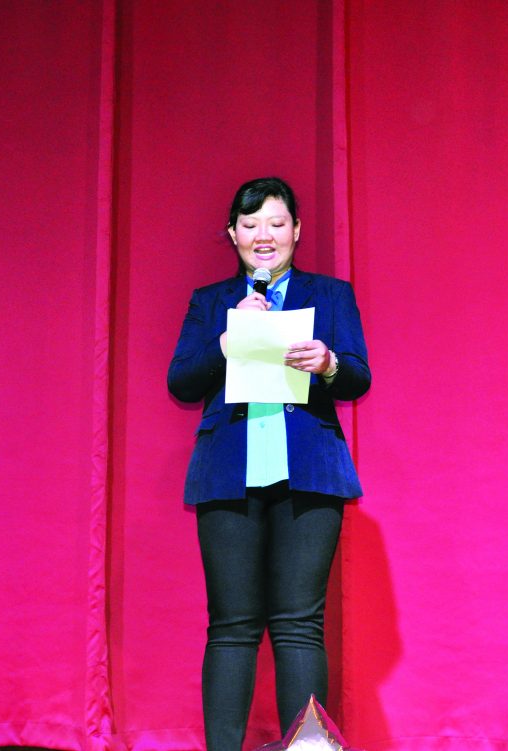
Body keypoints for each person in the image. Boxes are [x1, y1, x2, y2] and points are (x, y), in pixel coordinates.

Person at [167, 177, 371, 751]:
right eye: (251, 224)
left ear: (296, 231)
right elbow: (181, 381)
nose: (264, 235)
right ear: (232, 234)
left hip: (308, 472)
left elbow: (358, 377)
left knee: (299, 624)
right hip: (229, 471)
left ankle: (306, 748)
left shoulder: (330, 295)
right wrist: (227, 339)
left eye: (277, 224)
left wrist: (328, 363)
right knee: (231, 625)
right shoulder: (211, 302)